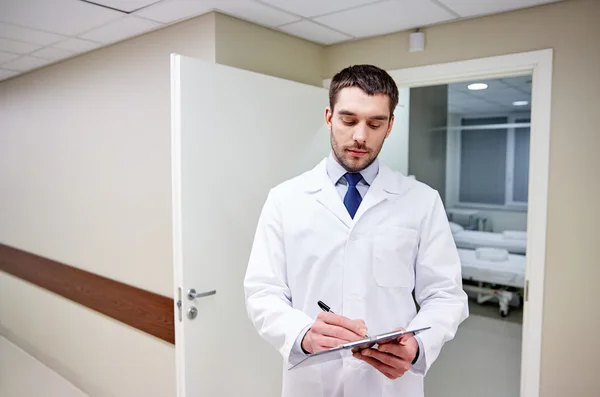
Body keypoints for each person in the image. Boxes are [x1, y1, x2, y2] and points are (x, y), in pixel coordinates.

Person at [243, 64, 468, 397]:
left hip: (389, 385)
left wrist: (418, 346)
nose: (360, 136)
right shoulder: (285, 199)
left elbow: (446, 295)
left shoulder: (421, 201)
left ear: (390, 125)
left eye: (375, 123)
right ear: (328, 116)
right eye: (348, 120)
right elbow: (263, 291)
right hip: (313, 380)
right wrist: (301, 333)